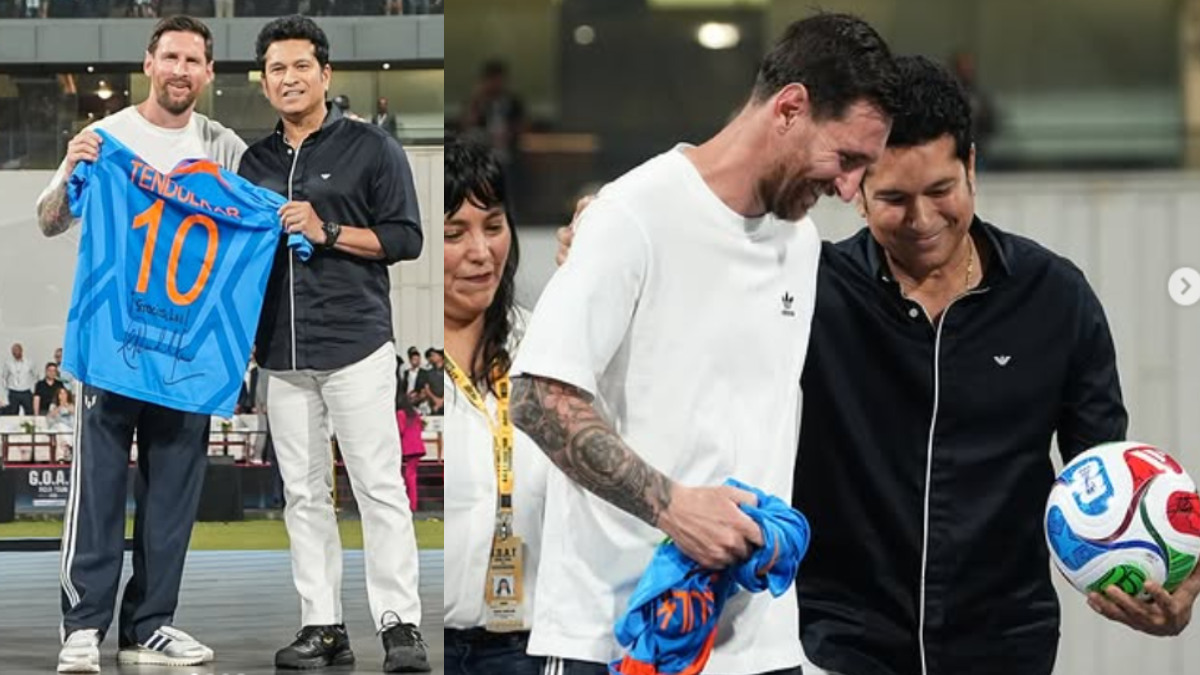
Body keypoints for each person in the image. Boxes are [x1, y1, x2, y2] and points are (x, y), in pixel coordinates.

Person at [509, 13, 899, 675]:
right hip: (618, 638)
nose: (848, 188)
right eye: (847, 158)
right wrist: (675, 507)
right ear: (790, 108)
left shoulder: (800, 244)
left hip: (761, 648)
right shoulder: (632, 214)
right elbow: (536, 397)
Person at [789, 54, 1200, 675]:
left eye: (940, 191)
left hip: (1006, 646)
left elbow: (1108, 474)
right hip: (841, 643)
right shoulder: (810, 294)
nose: (923, 221)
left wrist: (1175, 574)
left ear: (972, 167)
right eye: (895, 199)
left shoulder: (1054, 296)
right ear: (856, 190)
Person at [35, 15, 241, 673]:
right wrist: (71, 164)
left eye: (194, 60)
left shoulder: (225, 145)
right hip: (116, 340)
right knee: (97, 487)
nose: (182, 70)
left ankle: (149, 624)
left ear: (208, 73)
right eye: (171, 56)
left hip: (189, 350)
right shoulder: (106, 136)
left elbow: (249, 230)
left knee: (174, 493)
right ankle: (84, 625)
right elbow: (48, 219)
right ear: (148, 62)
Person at [236, 15, 429, 672]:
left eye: (299, 66)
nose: (288, 79)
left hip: (356, 344)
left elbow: (405, 239)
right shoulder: (252, 162)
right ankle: (322, 623)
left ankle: (400, 624)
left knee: (379, 488)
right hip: (282, 355)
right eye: (275, 70)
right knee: (303, 494)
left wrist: (327, 230)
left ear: (325, 73)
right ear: (264, 84)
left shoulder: (374, 149)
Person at [444, 136, 549, 675]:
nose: (481, 253)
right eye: (453, 234)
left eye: (493, 225)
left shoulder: (546, 347)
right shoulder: (391, 352)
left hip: (519, 648)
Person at [396, 394, 425, 510]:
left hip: (409, 447)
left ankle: (412, 504)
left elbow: (400, 430)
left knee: (409, 477)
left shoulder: (400, 414)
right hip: (417, 446)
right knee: (411, 475)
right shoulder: (414, 414)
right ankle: (412, 503)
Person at [2, 342, 37, 416]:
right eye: (13, 351)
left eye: (17, 350)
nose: (15, 352)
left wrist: (33, 389)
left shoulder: (29, 362)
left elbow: (36, 376)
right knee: (12, 413)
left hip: (26, 391)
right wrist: (6, 390)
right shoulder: (8, 363)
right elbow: (4, 377)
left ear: (21, 350)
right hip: (13, 392)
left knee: (29, 412)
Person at [415, 348, 443, 415]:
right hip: (433, 404)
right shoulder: (429, 373)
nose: (432, 357)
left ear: (440, 356)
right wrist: (435, 399)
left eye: (434, 355)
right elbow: (426, 388)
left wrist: (442, 401)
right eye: (430, 356)